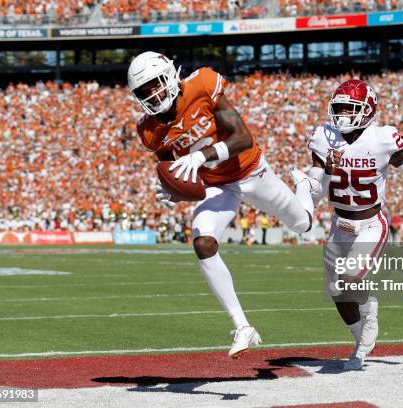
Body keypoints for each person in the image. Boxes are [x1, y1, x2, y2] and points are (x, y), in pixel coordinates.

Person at [128, 51, 319, 358]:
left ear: (169, 76)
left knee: (302, 224)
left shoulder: (202, 84)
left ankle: (305, 188)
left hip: (251, 171)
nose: (152, 94)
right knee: (203, 242)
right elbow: (172, 171)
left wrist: (202, 156)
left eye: (155, 84)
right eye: (144, 91)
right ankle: (243, 326)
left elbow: (242, 138)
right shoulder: (149, 130)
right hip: (217, 187)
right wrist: (174, 192)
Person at [293, 79, 403, 370]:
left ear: (368, 109)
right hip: (339, 224)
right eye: (339, 108)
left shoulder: (382, 138)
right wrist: (304, 197)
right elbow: (317, 187)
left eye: (350, 108)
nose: (342, 115)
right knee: (337, 291)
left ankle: (369, 309)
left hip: (371, 223)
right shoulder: (324, 136)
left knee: (349, 279)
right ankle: (360, 344)